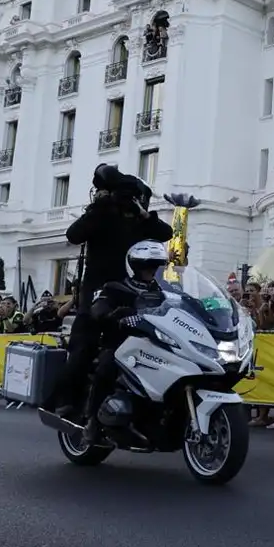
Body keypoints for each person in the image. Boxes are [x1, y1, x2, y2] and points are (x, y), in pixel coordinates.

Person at [48, 164, 173, 420]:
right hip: (99, 290)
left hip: (135, 291)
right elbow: (74, 235)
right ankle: (67, 401)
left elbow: (165, 233)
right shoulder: (101, 214)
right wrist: (101, 207)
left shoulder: (141, 220)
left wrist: (143, 214)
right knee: (84, 342)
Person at [82, 241, 173, 440]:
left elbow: (179, 309)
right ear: (135, 267)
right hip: (120, 343)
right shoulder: (115, 287)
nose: (152, 270)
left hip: (154, 343)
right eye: (146, 266)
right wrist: (112, 315)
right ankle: (93, 422)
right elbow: (98, 306)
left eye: (155, 266)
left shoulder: (164, 292)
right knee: (106, 366)